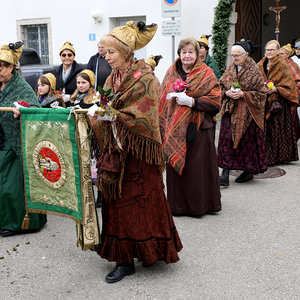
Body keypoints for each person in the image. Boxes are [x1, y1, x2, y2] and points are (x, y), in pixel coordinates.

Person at [88, 21, 182, 284]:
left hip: (139, 157)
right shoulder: (110, 78)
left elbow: (144, 118)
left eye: (110, 53)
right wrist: (96, 115)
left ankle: (145, 251)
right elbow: (105, 105)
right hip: (116, 152)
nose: (105, 57)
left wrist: (110, 116)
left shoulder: (147, 79)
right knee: (116, 203)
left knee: (138, 203)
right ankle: (124, 258)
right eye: (104, 52)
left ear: (127, 52)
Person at [159, 37, 222, 216]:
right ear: (179, 53)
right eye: (184, 52)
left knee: (197, 169)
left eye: (191, 52)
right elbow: (162, 98)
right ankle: (177, 206)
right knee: (176, 168)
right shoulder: (171, 72)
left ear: (197, 54)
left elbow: (216, 99)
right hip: (174, 129)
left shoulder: (206, 72)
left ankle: (199, 206)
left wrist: (192, 101)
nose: (187, 55)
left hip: (198, 127)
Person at [0, 41, 47, 237]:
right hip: (2, 140)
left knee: (12, 186)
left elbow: (35, 109)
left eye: (1, 68)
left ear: (12, 68)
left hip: (16, 143)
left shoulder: (21, 86)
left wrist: (22, 110)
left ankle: (19, 223)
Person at [218, 40, 268, 186]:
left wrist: (243, 95)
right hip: (230, 110)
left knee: (247, 143)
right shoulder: (231, 68)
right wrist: (226, 92)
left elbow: (261, 93)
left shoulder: (254, 70)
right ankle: (225, 173)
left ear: (245, 55)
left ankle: (248, 171)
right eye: (232, 55)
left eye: (237, 55)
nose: (234, 58)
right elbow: (221, 84)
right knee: (226, 140)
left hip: (248, 113)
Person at [257, 40, 299, 165]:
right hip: (264, 100)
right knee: (265, 128)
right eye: (267, 50)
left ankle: (277, 156)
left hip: (278, 102)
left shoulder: (282, 64)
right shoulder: (261, 63)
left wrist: (276, 89)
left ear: (277, 51)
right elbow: (257, 77)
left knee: (277, 128)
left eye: (272, 50)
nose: (269, 52)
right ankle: (265, 155)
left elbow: (289, 84)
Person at [279, 44, 300, 141]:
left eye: (282, 54)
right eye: (278, 54)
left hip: (290, 97)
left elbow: (297, 81)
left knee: (291, 121)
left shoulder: (292, 65)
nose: (279, 55)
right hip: (280, 97)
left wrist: (291, 91)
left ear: (287, 54)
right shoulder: (278, 64)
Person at [52, 41, 84, 107]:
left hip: (75, 105)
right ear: (60, 57)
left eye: (69, 55)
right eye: (64, 55)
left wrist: (70, 97)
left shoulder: (81, 71)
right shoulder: (56, 72)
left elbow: (85, 91)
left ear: (74, 56)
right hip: (59, 106)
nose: (67, 57)